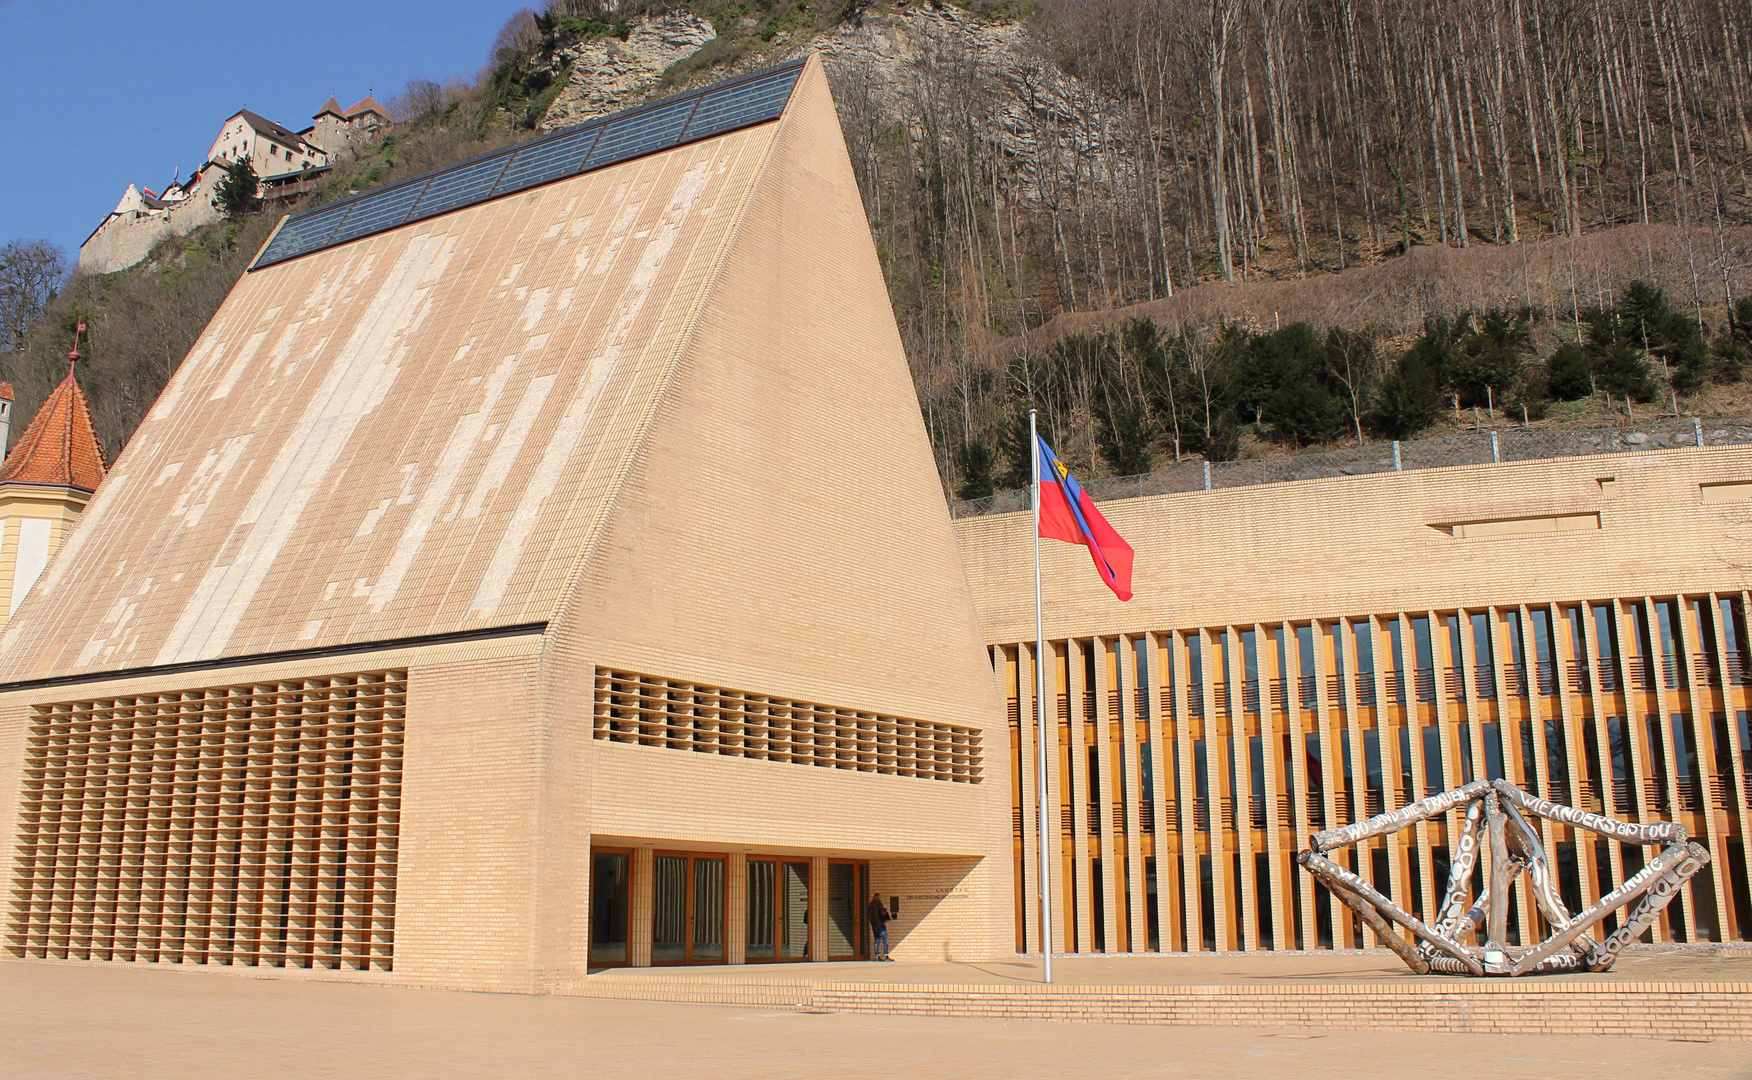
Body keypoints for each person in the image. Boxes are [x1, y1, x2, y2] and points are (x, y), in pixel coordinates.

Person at [867, 895, 892, 961]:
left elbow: (869, 916)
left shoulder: (870, 906)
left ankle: (877, 956)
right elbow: (883, 913)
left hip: (874, 925)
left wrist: (872, 924)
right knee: (885, 939)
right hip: (880, 924)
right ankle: (886, 956)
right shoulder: (879, 904)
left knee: (877, 940)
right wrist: (885, 908)